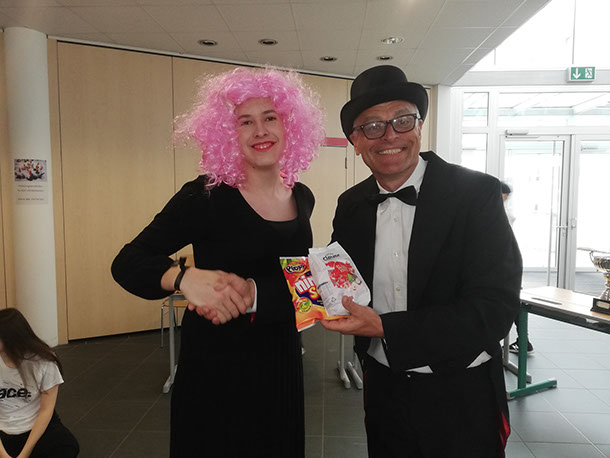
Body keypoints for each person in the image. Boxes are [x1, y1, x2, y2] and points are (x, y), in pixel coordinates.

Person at [111, 67, 324, 457]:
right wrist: (183, 278)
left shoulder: (303, 197)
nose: (260, 131)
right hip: (216, 367)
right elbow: (127, 262)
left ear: (290, 125)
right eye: (245, 122)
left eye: (270, 118)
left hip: (282, 361)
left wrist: (278, 295)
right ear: (227, 133)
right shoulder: (205, 197)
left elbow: (299, 285)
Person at [322, 65, 523, 457]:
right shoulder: (351, 205)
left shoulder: (476, 194)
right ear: (355, 141)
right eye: (372, 126)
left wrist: (386, 327)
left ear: (419, 126)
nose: (390, 136)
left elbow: (495, 309)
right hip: (384, 389)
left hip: (462, 392)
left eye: (402, 120)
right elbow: (337, 275)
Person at [0, 308, 79, 458]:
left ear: (11, 338)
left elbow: (46, 411)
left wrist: (24, 454)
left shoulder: (44, 361)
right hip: (3, 432)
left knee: (67, 447)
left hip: (35, 428)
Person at [501, 181, 534, 355]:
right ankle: (523, 341)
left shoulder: (502, 213)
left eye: (505, 197)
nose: (504, 199)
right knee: (513, 301)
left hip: (504, 264)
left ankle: (523, 341)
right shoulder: (503, 211)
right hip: (507, 262)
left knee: (514, 302)